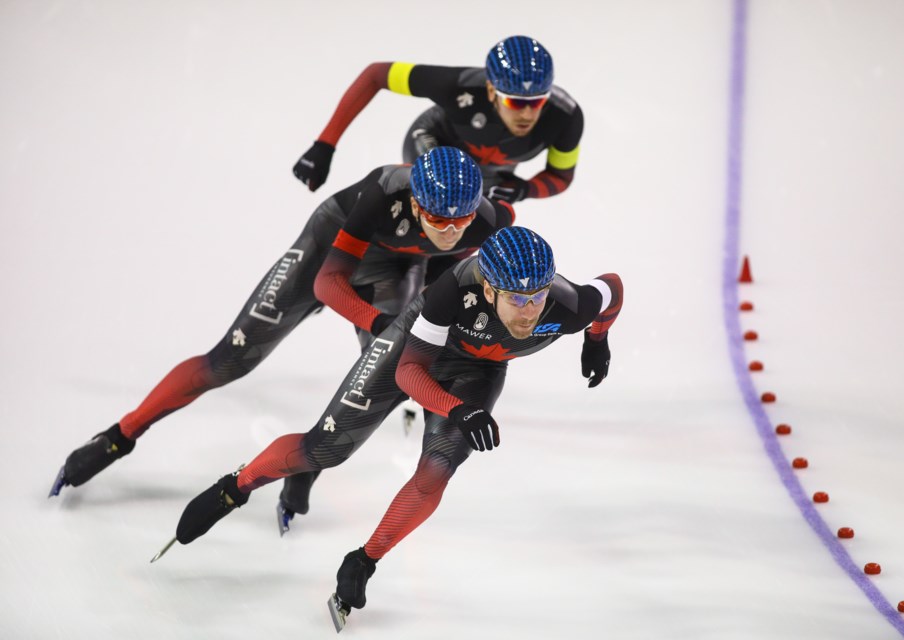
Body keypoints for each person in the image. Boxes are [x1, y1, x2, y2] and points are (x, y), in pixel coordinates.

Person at [168, 226, 623, 626]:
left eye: (538, 296)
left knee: (438, 467)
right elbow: (409, 375)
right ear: (488, 290)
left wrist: (596, 340)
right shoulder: (453, 293)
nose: (530, 312)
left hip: (478, 371)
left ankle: (364, 561)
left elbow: (614, 289)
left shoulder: (570, 305)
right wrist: (457, 409)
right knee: (326, 447)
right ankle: (237, 486)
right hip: (411, 352)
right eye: (517, 300)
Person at [51, 148, 517, 528]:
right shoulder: (382, 192)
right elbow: (327, 285)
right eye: (438, 220)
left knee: (376, 386)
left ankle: (306, 464)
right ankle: (119, 435)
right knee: (229, 360)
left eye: (461, 222)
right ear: (416, 203)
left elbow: (467, 262)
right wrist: (377, 323)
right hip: (325, 256)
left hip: (395, 268)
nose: (451, 230)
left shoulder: (492, 220)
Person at [292, 35, 583, 205]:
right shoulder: (459, 85)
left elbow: (560, 177)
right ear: (492, 90)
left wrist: (525, 190)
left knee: (470, 226)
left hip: (491, 170)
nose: (527, 114)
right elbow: (376, 74)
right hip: (433, 138)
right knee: (434, 199)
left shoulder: (566, 117)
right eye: (516, 101)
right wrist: (325, 145)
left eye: (537, 102)